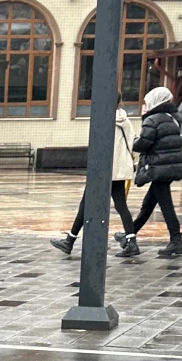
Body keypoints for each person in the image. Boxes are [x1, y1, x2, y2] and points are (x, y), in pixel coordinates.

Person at [51, 104, 138, 259]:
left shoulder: (104, 120)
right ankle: (131, 241)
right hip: (119, 168)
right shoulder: (126, 120)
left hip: (102, 170)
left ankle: (69, 241)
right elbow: (132, 143)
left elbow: (98, 145)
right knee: (121, 205)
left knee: (85, 204)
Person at [130, 86, 182, 258]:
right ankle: (129, 233)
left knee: (166, 205)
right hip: (168, 166)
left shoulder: (153, 120)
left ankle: (176, 241)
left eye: (147, 103)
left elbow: (144, 144)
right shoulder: (174, 118)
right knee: (148, 204)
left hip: (158, 167)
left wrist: (132, 141)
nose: (145, 106)